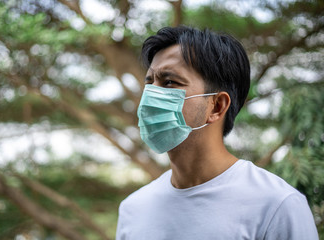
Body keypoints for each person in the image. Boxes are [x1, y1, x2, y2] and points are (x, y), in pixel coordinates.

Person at [116, 26, 318, 240]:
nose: (151, 96)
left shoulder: (277, 205)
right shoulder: (133, 209)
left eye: (169, 83)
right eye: (150, 83)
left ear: (217, 106)